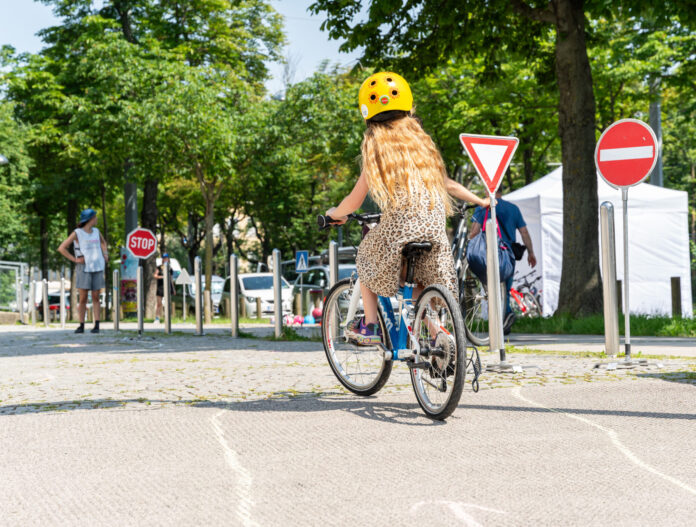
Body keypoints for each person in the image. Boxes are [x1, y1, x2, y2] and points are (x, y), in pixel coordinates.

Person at [325, 71, 488, 346]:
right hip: (433, 226)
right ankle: (439, 337)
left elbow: (354, 200)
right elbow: (447, 183)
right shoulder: (421, 145)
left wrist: (334, 214)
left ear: (367, 113)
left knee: (367, 257)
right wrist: (481, 200)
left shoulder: (377, 146)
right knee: (410, 281)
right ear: (409, 107)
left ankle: (369, 326)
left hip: (401, 223)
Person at [469, 187, 537, 330]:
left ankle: (498, 323)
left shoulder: (483, 208)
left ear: (488, 192)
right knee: (505, 288)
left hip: (488, 253)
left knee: (491, 289)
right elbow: (524, 232)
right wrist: (531, 253)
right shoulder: (513, 209)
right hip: (508, 254)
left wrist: (470, 244)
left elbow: (474, 232)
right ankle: (506, 319)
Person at [57, 208, 108, 334]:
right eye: (95, 217)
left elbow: (103, 243)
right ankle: (81, 325)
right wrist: (74, 259)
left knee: (96, 296)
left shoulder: (96, 231)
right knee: (83, 297)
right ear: (90, 219)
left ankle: (96, 325)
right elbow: (62, 248)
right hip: (84, 267)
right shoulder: (77, 233)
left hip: (97, 266)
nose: (96, 219)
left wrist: (105, 254)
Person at [154, 253, 174, 323]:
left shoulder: (170, 268)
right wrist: (162, 277)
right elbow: (155, 275)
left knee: (167, 303)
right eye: (164, 258)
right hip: (160, 287)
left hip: (167, 287)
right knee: (159, 303)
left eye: (166, 258)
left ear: (168, 259)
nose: (165, 259)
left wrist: (173, 289)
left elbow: (171, 279)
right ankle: (157, 318)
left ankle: (167, 318)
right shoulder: (159, 267)